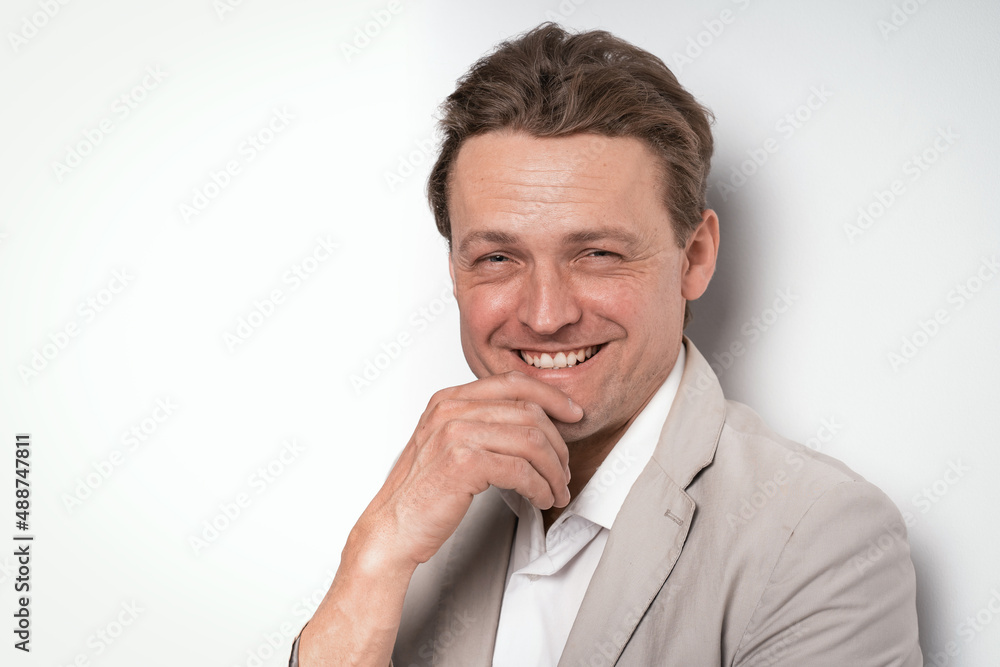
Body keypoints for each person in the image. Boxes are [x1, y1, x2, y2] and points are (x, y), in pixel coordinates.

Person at [291, 23, 922, 666]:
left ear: (694, 257)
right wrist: (373, 557)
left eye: (597, 254)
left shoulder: (818, 537)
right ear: (455, 270)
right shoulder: (422, 516)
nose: (545, 316)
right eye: (498, 257)